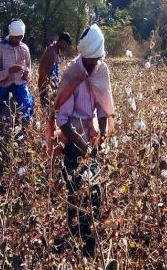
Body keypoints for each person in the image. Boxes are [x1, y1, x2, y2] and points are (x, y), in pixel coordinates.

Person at [54, 24, 114, 257]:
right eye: (91, 60)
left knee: (94, 189)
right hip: (72, 139)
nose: (95, 64)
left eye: (98, 59)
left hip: (92, 135)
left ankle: (89, 240)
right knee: (73, 187)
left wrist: (99, 141)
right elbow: (62, 119)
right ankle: (71, 229)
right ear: (84, 57)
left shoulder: (101, 69)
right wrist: (83, 146)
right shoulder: (71, 73)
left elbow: (103, 105)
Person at [0, 19, 35, 162]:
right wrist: (9, 71)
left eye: (20, 37)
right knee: (4, 122)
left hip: (21, 87)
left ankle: (23, 145)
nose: (18, 40)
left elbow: (29, 69)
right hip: (5, 88)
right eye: (15, 38)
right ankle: (2, 151)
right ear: (10, 35)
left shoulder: (25, 48)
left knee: (25, 116)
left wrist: (27, 74)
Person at [38, 32, 72, 108]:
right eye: (66, 45)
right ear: (62, 41)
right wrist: (44, 95)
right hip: (47, 90)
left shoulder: (57, 50)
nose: (66, 48)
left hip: (53, 89)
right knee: (48, 112)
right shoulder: (52, 53)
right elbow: (42, 76)